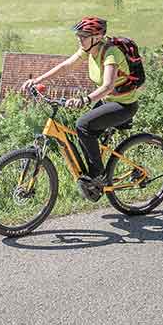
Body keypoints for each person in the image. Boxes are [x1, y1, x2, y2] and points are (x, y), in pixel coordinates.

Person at [23, 16, 142, 199]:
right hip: (107, 101)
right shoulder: (89, 50)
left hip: (123, 105)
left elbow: (108, 86)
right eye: (78, 35)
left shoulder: (111, 54)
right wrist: (37, 80)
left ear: (96, 37)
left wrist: (85, 99)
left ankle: (98, 177)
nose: (79, 38)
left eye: (84, 36)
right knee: (84, 133)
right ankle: (93, 178)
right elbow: (65, 66)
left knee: (83, 125)